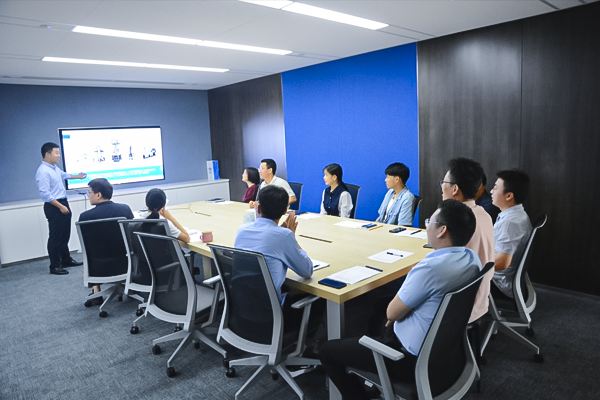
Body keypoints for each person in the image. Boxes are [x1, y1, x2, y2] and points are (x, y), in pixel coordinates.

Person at [319, 200, 481, 400]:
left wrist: (394, 314)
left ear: (442, 230)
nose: (426, 226)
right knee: (379, 312)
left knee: (327, 351)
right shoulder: (472, 258)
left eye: (430, 222)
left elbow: (392, 313)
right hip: (445, 352)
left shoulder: (430, 269)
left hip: (406, 359)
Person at [235, 185, 323, 332]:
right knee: (320, 300)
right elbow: (307, 271)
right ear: (284, 211)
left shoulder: (242, 230)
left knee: (286, 287)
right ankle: (305, 342)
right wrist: (291, 237)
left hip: (242, 309)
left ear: (258, 208)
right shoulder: (284, 236)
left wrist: (284, 234)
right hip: (270, 318)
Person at [440, 157, 495, 322]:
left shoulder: (457, 222)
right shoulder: (483, 214)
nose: (441, 186)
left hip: (456, 306)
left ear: (455, 188)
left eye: (444, 182)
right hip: (480, 298)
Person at [78, 178, 134, 303]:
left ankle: (96, 291)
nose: (88, 196)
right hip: (125, 264)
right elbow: (131, 237)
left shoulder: (85, 217)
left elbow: (87, 246)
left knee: (93, 250)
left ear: (98, 194)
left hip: (98, 268)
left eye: (89, 193)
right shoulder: (125, 209)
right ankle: (132, 287)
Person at [35, 142, 87, 275]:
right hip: (54, 206)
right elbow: (45, 195)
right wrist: (60, 206)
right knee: (56, 237)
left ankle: (65, 259)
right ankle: (54, 266)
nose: (59, 155)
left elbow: (64, 175)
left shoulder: (54, 168)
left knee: (64, 235)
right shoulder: (43, 171)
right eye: (56, 153)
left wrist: (78, 176)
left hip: (62, 203)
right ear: (47, 154)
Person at [490, 169, 532, 299]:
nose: (491, 191)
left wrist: (472, 269)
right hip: (504, 278)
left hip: (498, 284)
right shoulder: (516, 214)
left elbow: (502, 263)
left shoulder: (510, 223)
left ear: (509, 196)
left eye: (495, 188)